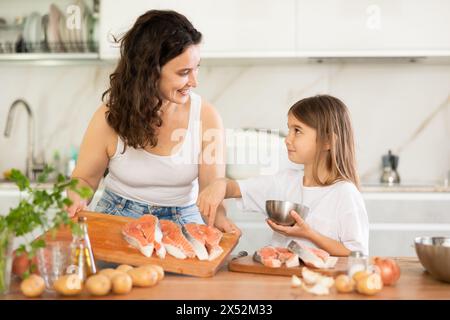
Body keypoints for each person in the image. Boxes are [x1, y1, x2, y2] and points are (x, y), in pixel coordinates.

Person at [66, 10, 239, 234]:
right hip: (117, 216)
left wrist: (221, 218)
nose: (194, 81)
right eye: (184, 72)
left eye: (197, 68)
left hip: (183, 219)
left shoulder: (206, 117)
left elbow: (211, 191)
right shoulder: (110, 116)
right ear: (150, 72)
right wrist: (77, 199)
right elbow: (84, 180)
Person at [196, 95, 369, 255]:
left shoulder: (345, 193)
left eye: (297, 131)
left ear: (327, 141)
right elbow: (235, 188)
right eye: (289, 130)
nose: (287, 139)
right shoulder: (284, 181)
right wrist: (220, 184)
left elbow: (356, 253)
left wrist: (309, 234)